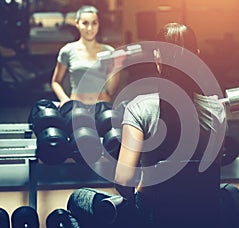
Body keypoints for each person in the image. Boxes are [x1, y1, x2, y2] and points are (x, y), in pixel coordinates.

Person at [114, 23, 226, 227]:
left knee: (80, 200)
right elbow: (210, 168)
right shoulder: (217, 110)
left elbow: (123, 180)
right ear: (197, 57)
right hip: (204, 215)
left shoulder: (139, 108)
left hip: (155, 216)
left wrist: (141, 187)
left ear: (157, 58)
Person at [51, 5, 120, 107]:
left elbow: (111, 90)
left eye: (94, 23)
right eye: (85, 23)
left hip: (102, 108)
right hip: (76, 108)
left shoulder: (109, 51)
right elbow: (55, 82)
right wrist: (64, 100)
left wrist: (116, 66)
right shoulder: (67, 51)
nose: (90, 28)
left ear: (98, 25)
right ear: (77, 24)